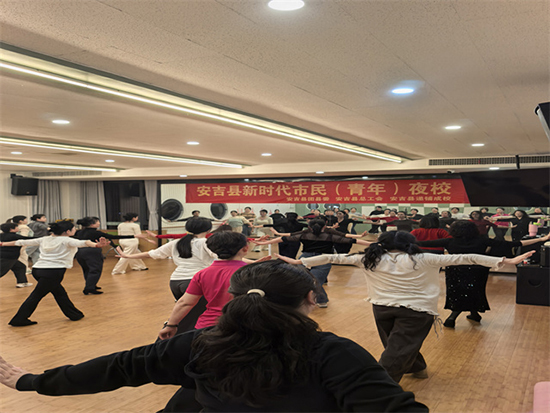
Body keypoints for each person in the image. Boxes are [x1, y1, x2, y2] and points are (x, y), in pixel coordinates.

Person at [0, 260, 430, 413]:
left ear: (234, 298)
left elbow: (118, 368)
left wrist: (30, 381)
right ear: (310, 299)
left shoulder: (199, 343)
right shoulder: (335, 354)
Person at [277, 231, 536, 383]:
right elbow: (466, 258)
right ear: (408, 244)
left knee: (395, 348)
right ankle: (416, 367)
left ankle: (377, 385)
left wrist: (299, 262)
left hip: (383, 309)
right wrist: (506, 261)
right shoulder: (424, 258)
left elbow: (333, 256)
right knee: (397, 348)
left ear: (382, 243)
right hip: (415, 311)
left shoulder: (368, 258)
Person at [417, 221, 550, 328]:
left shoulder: (449, 241)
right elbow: (514, 243)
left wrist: (404, 242)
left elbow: (422, 244)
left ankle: (458, 316)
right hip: (478, 270)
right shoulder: (482, 240)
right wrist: (543, 239)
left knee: (457, 293)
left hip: (455, 271)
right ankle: (467, 315)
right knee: (475, 290)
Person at [158, 231, 270, 340]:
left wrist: (171, 325)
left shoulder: (202, 274)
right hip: (243, 327)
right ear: (245, 249)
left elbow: (185, 303)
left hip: (207, 328)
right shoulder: (253, 273)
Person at [117, 218, 217, 334]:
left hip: (175, 282)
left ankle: (175, 332)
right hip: (195, 281)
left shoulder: (176, 242)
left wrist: (128, 256)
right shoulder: (205, 243)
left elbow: (152, 254)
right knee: (196, 315)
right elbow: (221, 256)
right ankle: (175, 335)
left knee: (186, 313)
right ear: (208, 229)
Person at [0, 220, 108, 326]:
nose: (75, 230)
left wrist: (2, 243)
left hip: (38, 270)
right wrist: (96, 245)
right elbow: (84, 242)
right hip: (53, 272)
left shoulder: (45, 239)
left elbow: (20, 242)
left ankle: (74, 314)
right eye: (73, 228)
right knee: (36, 296)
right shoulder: (67, 240)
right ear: (67, 231)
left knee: (60, 293)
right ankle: (19, 319)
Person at [253, 218, 371, 308]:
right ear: (324, 226)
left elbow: (283, 238)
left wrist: (263, 243)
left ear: (309, 227)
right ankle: (312, 299)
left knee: (312, 280)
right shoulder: (329, 236)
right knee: (313, 281)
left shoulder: (305, 234)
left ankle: (321, 300)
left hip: (310, 259)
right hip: (322, 259)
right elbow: (352, 240)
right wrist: (372, 244)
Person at [74, 216, 148, 295]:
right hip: (92, 252)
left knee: (87, 269)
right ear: (92, 224)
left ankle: (91, 285)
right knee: (95, 270)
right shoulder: (96, 233)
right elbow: (113, 237)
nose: (99, 223)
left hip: (80, 252)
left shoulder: (79, 232)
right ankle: (89, 288)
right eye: (97, 221)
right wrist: (134, 236)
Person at [0, 223, 33, 287]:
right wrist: (44, 238)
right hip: (9, 257)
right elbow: (28, 239)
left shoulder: (2, 235)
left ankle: (22, 282)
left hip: (7, 256)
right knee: (1, 271)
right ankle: (22, 282)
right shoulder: (14, 236)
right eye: (16, 227)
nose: (18, 228)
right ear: (11, 229)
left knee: (20, 267)